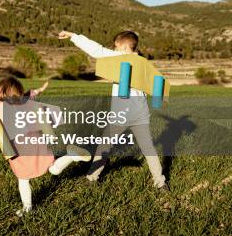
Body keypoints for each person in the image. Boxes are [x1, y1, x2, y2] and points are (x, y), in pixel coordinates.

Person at [0, 77, 90, 216]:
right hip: (38, 145)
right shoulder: (25, 102)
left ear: (0, 94)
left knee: (23, 179)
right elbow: (30, 94)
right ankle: (72, 155)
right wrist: (40, 89)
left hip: (19, 151)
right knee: (52, 168)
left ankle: (27, 208)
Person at [58, 30, 168, 190]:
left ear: (123, 47)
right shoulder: (144, 63)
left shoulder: (119, 58)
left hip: (122, 112)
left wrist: (73, 36)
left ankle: (91, 177)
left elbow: (97, 50)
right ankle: (160, 183)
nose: (114, 50)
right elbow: (157, 86)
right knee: (148, 148)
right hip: (140, 113)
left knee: (105, 146)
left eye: (116, 47)